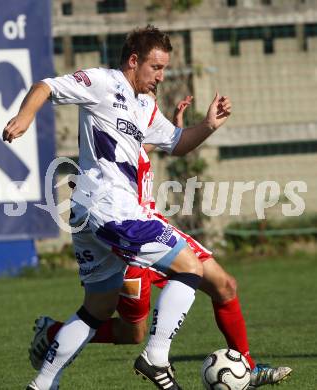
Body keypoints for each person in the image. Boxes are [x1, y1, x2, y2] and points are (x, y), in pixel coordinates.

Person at [3, 26, 232, 390]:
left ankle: (42, 384)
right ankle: (156, 356)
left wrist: (207, 125)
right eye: (156, 67)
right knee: (190, 267)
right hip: (111, 207)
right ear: (133, 61)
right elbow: (45, 85)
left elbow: (177, 143)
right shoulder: (102, 82)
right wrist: (25, 116)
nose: (161, 76)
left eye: (164, 69)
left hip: (94, 213)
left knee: (97, 307)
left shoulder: (145, 105)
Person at [28, 96, 292, 389]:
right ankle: (54, 335)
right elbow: (116, 156)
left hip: (150, 226)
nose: (151, 91)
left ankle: (246, 367)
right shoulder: (108, 120)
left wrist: (180, 131)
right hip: (124, 234)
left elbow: (151, 146)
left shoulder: (135, 123)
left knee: (224, 285)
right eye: (152, 74)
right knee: (132, 332)